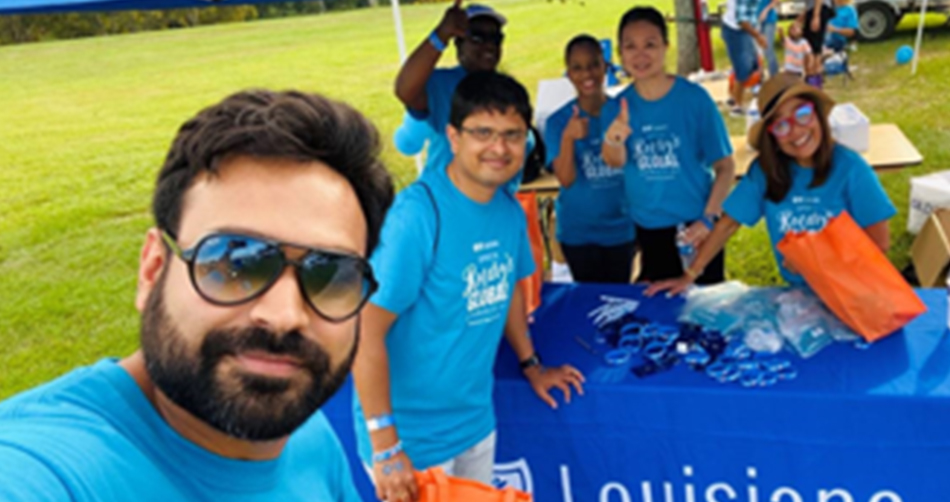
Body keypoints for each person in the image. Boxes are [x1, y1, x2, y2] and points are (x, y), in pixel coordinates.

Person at [0, 90, 395, 500]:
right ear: (153, 270)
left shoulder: (304, 429)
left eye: (330, 273)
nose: (284, 315)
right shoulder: (45, 469)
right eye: (234, 261)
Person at [353, 72, 585, 502]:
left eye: (512, 135)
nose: (499, 148)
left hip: (475, 424)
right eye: (483, 133)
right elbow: (364, 328)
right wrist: (385, 445)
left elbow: (510, 293)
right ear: (453, 137)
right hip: (411, 442)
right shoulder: (418, 216)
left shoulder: (509, 212)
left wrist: (531, 364)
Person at [647, 73, 896, 296]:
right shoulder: (766, 172)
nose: (796, 130)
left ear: (818, 114)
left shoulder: (851, 168)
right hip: (800, 295)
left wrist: (817, 260)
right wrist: (690, 275)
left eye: (802, 114)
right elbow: (728, 224)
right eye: (781, 124)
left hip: (853, 291)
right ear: (772, 137)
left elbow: (879, 243)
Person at [603, 6, 736, 286]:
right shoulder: (617, 106)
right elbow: (615, 161)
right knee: (659, 314)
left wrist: (708, 219)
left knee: (704, 312)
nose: (640, 55)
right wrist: (614, 137)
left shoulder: (695, 99)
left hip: (697, 226)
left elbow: (725, 166)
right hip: (649, 228)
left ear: (665, 47)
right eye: (630, 46)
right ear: (620, 53)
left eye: (650, 45)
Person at [543, 34, 635, 283]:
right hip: (579, 233)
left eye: (594, 64)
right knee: (588, 303)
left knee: (619, 299)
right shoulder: (558, 122)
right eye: (578, 68)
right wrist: (568, 138)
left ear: (605, 66)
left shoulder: (623, 113)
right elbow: (566, 179)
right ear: (569, 73)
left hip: (621, 228)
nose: (587, 74)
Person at [394, 0, 507, 174]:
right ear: (459, 44)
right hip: (444, 197)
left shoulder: (506, 89)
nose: (490, 45)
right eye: (478, 37)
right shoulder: (441, 84)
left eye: (496, 38)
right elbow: (405, 90)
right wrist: (440, 35)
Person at [721, 0, 770, 115]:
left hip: (744, 29)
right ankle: (736, 106)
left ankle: (734, 97)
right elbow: (741, 20)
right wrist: (758, 36)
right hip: (735, 30)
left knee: (752, 65)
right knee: (743, 67)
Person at [798, 0, 836, 87]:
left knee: (813, 50)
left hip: (818, 8)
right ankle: (812, 81)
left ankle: (814, 83)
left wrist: (816, 16)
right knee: (809, 48)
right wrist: (805, 13)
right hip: (813, 9)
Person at [757, 0, 781, 78]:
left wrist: (765, 11)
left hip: (769, 20)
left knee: (768, 48)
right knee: (759, 51)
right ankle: (759, 76)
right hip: (757, 21)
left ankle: (775, 76)